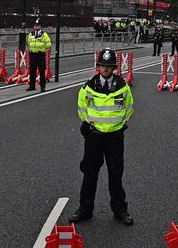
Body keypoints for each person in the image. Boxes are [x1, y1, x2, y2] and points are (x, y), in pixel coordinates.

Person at [69, 48, 134, 226]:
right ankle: (85, 209)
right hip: (94, 136)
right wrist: (87, 126)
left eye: (109, 66)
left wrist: (120, 125)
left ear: (114, 68)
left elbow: (129, 108)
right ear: (98, 67)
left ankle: (120, 209)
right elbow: (82, 107)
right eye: (103, 65)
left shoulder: (123, 86)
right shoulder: (88, 86)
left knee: (115, 175)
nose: (106, 69)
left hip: (114, 137)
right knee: (90, 174)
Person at [26, 19, 51, 92]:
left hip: (40, 54)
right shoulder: (31, 34)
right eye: (35, 25)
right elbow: (29, 43)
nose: (36, 27)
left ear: (41, 26)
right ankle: (32, 86)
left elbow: (48, 44)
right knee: (32, 71)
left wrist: (42, 48)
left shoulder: (44, 35)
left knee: (42, 71)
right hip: (33, 54)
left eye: (37, 25)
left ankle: (42, 87)